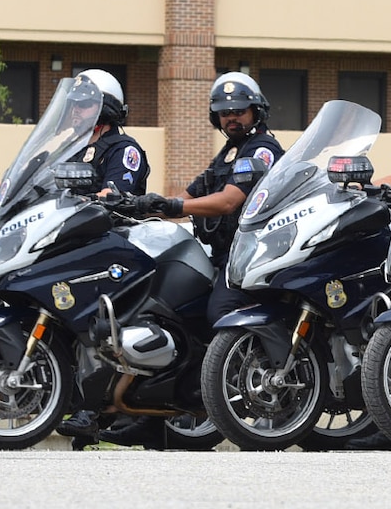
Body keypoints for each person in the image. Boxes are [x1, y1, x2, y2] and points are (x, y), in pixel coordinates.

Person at [129, 74, 284, 323]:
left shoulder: (262, 149)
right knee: (181, 303)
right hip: (224, 253)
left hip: (250, 255)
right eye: (224, 113)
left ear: (256, 110)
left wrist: (175, 206)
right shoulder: (230, 152)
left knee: (221, 313)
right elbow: (189, 195)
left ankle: (269, 358)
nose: (231, 117)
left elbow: (228, 202)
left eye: (239, 110)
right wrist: (140, 208)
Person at [76, 68, 149, 197]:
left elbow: (112, 196)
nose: (75, 110)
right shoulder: (72, 148)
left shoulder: (123, 150)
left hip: (105, 217)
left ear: (105, 110)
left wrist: (76, 201)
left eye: (84, 104)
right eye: (73, 104)